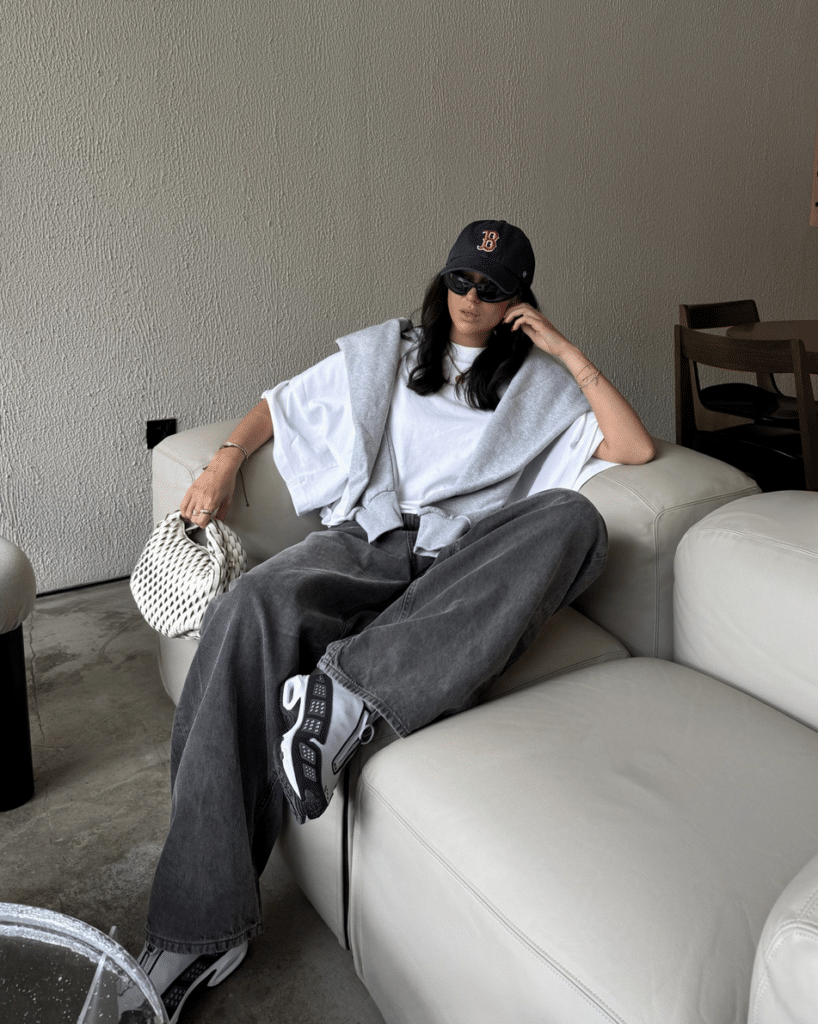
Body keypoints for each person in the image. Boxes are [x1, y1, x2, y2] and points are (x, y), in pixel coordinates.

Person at [123, 220, 655, 1023]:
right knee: (248, 608)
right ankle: (199, 931)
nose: (471, 298)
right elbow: (280, 404)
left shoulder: (541, 384)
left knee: (575, 522)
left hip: (463, 564)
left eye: (493, 289)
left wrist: (567, 352)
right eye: (461, 280)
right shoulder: (390, 355)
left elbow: (633, 447)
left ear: (519, 301)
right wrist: (224, 460)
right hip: (366, 541)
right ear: (443, 280)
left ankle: (347, 695)